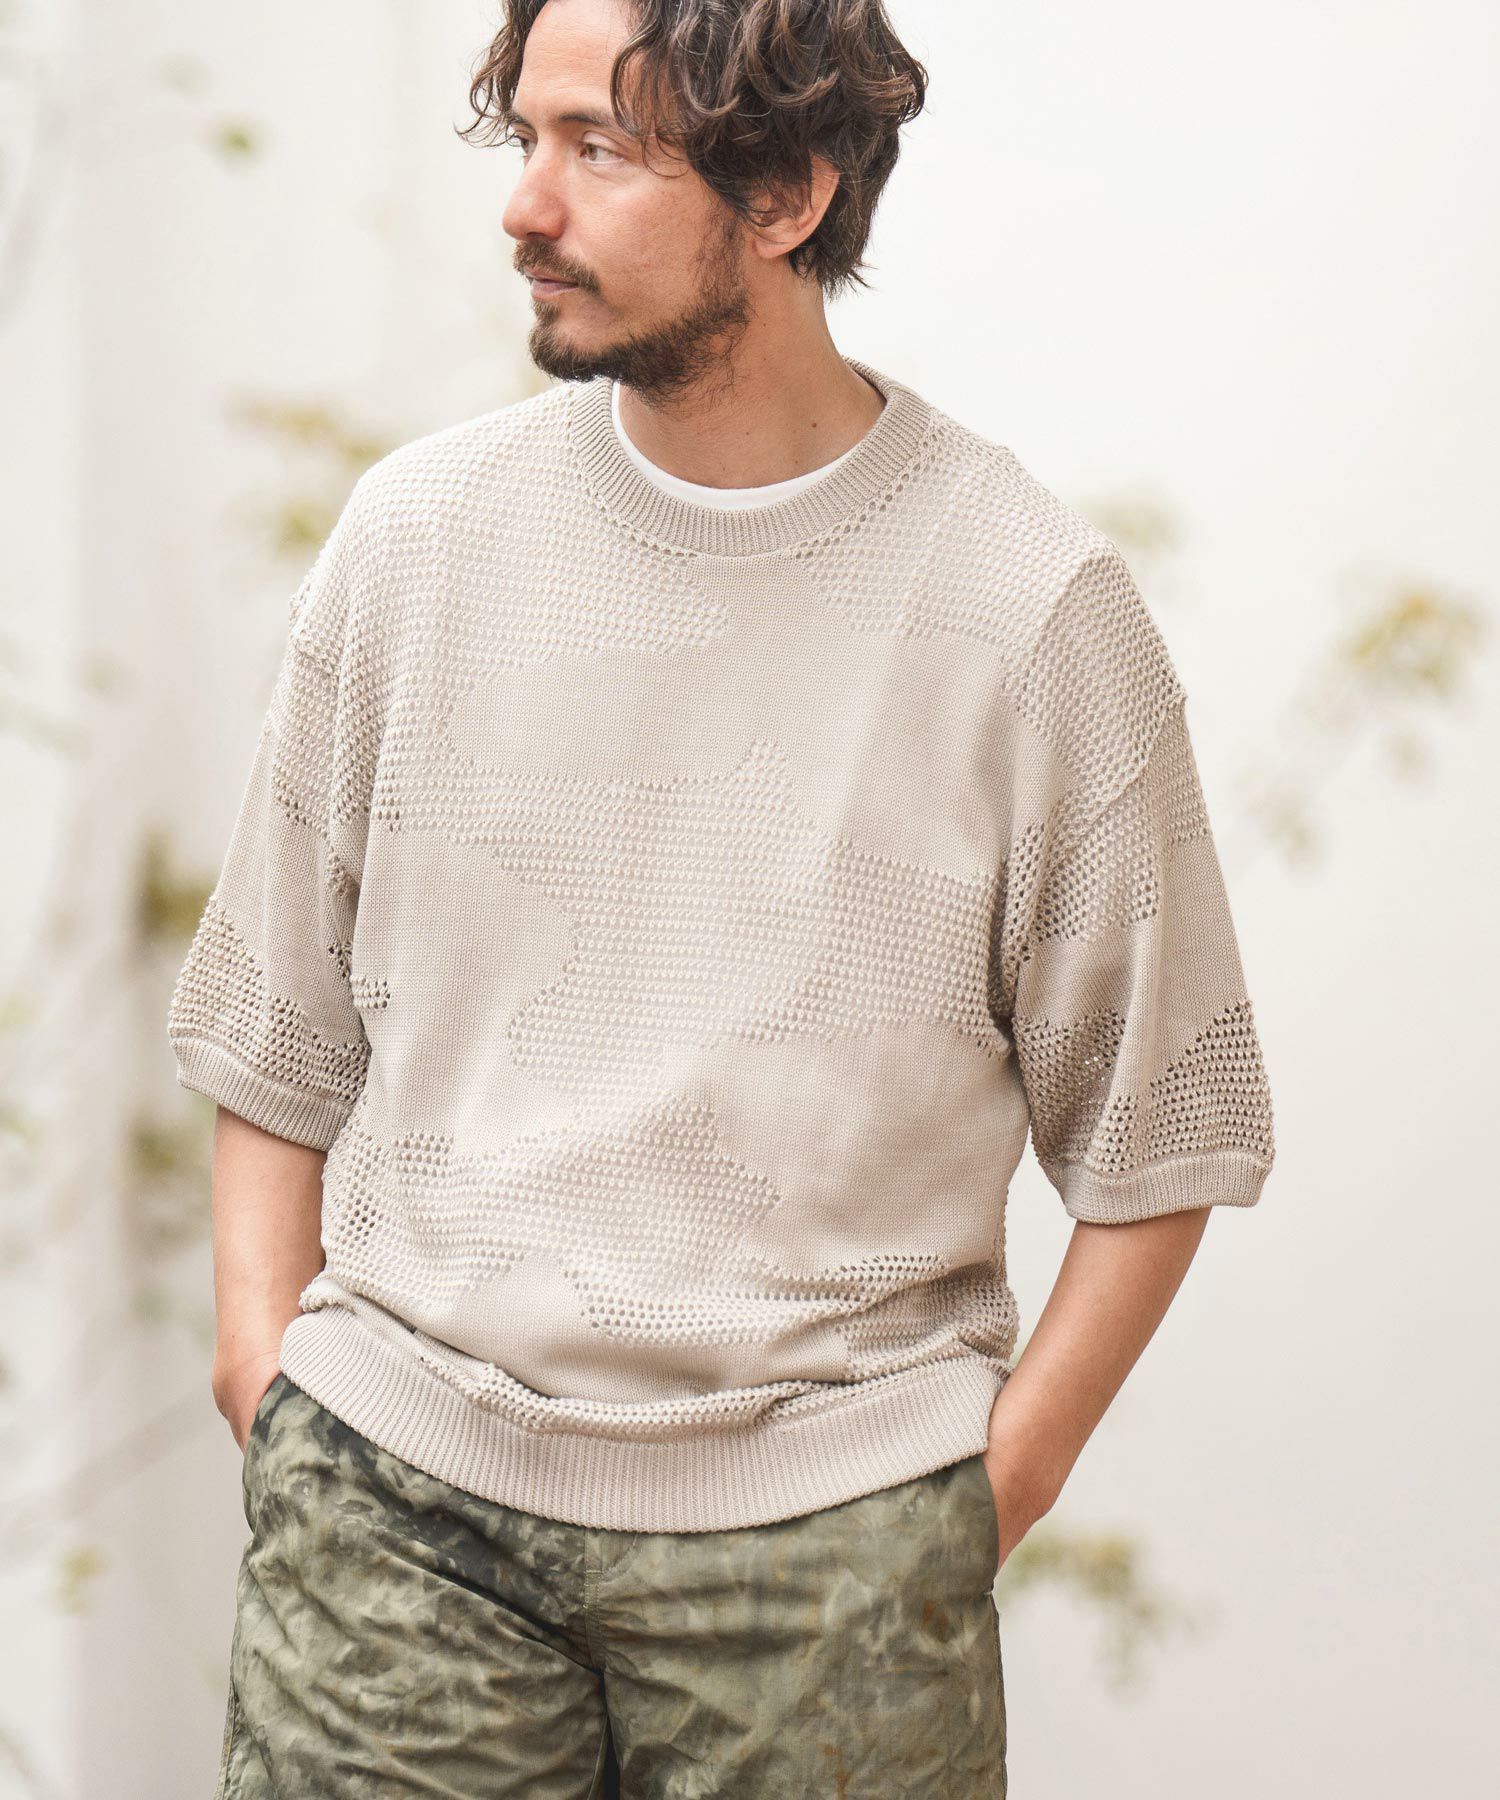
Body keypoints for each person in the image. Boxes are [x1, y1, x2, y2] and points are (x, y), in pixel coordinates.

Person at [169, 1, 1276, 1794]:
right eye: (524, 139)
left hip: (833, 1564)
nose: (526, 207)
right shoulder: (416, 544)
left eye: (599, 151)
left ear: (784, 195)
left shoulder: (1029, 608)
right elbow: (268, 1031)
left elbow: (1169, 1131)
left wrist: (974, 1503)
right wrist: (262, 1372)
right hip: (395, 1519)